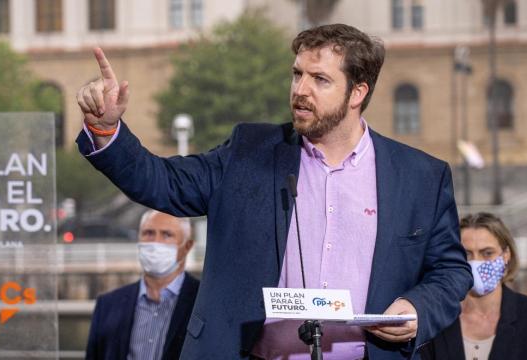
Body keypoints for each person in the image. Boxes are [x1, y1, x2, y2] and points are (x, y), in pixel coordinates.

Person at [76, 24, 472, 359]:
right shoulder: (249, 151)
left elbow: (451, 270)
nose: (301, 89)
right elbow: (163, 183)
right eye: (297, 74)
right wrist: (106, 129)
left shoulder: (421, 176)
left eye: (320, 80)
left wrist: (419, 308)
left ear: (358, 93)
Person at [420, 212, 527, 360]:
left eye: (487, 253)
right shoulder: (437, 316)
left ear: (506, 255)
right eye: (466, 254)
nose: (476, 263)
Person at [86, 210, 199, 360]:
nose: (155, 242)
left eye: (167, 235)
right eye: (149, 233)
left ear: (187, 246)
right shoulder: (107, 305)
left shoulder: (204, 302)